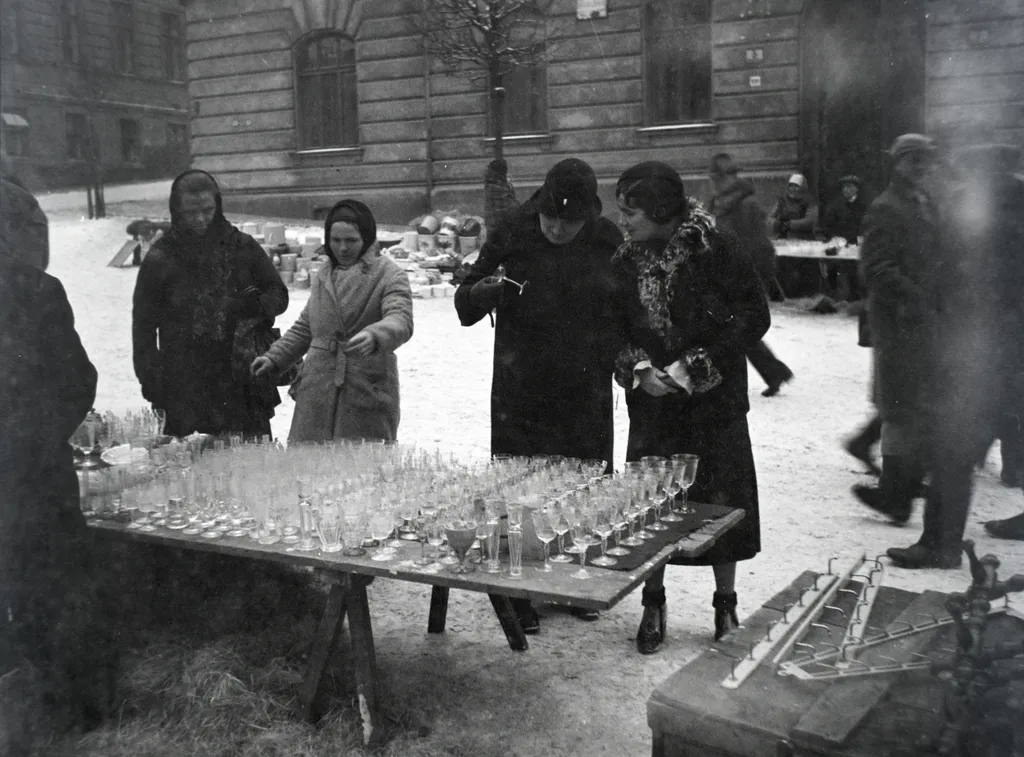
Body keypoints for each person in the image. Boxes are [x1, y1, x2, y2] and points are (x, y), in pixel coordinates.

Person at [455, 158, 623, 632]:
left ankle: (576, 578)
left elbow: (627, 308)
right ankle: (521, 589)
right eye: (550, 217)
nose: (556, 229)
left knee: (582, 486)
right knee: (520, 488)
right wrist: (482, 293)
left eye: (569, 222)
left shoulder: (608, 240)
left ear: (588, 216)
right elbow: (465, 297)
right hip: (521, 383)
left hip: (584, 384)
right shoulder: (513, 230)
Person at [612, 161, 769, 654]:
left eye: (631, 212)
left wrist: (692, 369)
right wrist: (638, 368)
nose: (623, 222)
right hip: (653, 406)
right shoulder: (626, 258)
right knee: (653, 508)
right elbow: (611, 323)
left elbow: (754, 316)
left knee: (721, 503)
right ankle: (653, 603)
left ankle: (725, 604)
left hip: (713, 405)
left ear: (661, 211)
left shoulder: (716, 248)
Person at [0, 176, 116, 732]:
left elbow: (76, 381)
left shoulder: (37, 292)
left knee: (47, 590)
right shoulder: (39, 288)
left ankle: (64, 709)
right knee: (47, 590)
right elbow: (77, 381)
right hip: (32, 473)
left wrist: (27, 438)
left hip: (31, 475)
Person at [904, 144, 1024, 554]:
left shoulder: (982, 217)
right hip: (1005, 351)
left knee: (952, 448)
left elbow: (954, 281)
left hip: (983, 351)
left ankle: (939, 545)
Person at [132, 170, 289, 439]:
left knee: (248, 460)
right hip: (184, 384)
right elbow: (143, 328)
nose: (200, 219)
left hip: (240, 380)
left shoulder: (241, 246)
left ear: (218, 206)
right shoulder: (162, 257)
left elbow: (278, 295)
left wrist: (246, 306)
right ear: (177, 211)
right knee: (190, 460)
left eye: (207, 210)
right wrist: (152, 382)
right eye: (190, 212)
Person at [252, 199, 413, 443]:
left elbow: (400, 319)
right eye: (336, 240)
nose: (343, 248)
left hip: (365, 386)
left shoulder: (388, 274)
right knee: (310, 459)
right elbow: (306, 327)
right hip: (318, 385)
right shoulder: (324, 274)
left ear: (367, 238)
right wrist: (275, 358)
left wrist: (375, 335)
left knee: (360, 460)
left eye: (351, 241)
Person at [853, 134, 942, 546]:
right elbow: (876, 269)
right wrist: (918, 298)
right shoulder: (886, 207)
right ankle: (895, 494)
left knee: (915, 407)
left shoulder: (925, 202)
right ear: (898, 163)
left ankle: (899, 491)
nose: (922, 167)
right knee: (897, 408)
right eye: (914, 160)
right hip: (899, 323)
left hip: (926, 323)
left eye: (926, 160)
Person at [708, 153, 794, 397]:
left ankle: (768, 373)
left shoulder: (746, 205)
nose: (715, 182)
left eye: (719, 177)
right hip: (723, 275)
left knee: (735, 327)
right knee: (733, 327)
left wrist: (763, 279)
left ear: (731, 177)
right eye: (713, 178)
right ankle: (773, 372)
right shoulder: (718, 204)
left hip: (742, 277)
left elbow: (760, 246)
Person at [821, 174, 869, 245]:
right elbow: (828, 227)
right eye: (844, 187)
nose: (845, 190)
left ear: (856, 189)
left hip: (858, 243)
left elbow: (867, 227)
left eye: (849, 186)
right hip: (840, 243)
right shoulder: (836, 206)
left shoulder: (864, 206)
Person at [769, 173, 818, 239]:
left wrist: (790, 224)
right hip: (784, 237)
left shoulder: (810, 201)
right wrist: (776, 223)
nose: (793, 189)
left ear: (802, 188)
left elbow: (810, 221)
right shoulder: (782, 200)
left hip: (803, 237)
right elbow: (770, 217)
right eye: (791, 186)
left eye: (796, 186)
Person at [482, 158, 518, 240]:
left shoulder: (492, 182)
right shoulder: (496, 185)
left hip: (494, 227)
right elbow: (509, 207)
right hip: (499, 228)